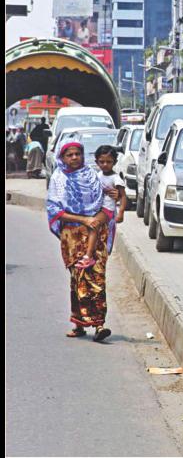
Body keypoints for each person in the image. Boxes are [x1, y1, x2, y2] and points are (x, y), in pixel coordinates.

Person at [46, 141, 113, 342]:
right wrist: (84, 220)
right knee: (77, 279)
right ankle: (79, 324)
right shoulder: (58, 178)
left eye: (77, 154)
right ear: (63, 158)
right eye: (70, 155)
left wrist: (116, 194)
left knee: (97, 277)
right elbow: (54, 209)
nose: (74, 157)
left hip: (96, 233)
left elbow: (109, 199)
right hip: (72, 236)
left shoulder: (93, 176)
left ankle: (99, 325)